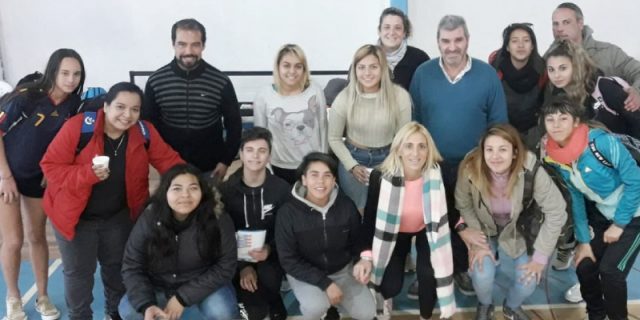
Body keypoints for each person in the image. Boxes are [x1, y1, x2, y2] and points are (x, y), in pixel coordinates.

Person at [40, 82, 183, 320]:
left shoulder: (144, 132)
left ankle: (113, 314)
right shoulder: (78, 128)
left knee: (118, 271)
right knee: (79, 276)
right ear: (105, 106)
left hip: (120, 217)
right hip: (76, 219)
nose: (127, 115)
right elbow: (50, 167)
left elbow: (170, 162)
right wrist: (87, 174)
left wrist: (196, 185)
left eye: (135, 109)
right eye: (120, 107)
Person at [410, 14, 508, 295]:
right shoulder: (423, 74)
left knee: (466, 218)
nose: (452, 47)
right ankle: (428, 273)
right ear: (438, 42)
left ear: (467, 40)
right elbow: (415, 121)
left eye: (458, 40)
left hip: (473, 166)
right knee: (429, 221)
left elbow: (499, 125)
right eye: (445, 41)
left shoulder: (487, 75)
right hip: (432, 164)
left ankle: (461, 270)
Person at [0, 48, 85, 320]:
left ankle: (43, 297)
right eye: (65, 73)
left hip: (38, 179)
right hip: (8, 175)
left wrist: (55, 168)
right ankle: (13, 298)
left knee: (37, 236)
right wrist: (5, 176)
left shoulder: (73, 105)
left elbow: (67, 142)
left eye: (76, 74)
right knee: (13, 240)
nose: (71, 79)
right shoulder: (26, 98)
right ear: (53, 72)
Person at [541, 97, 640, 320]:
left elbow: (636, 181)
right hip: (606, 217)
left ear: (576, 122)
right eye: (550, 119)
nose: (556, 125)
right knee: (585, 265)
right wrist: (584, 241)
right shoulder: (555, 158)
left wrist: (619, 224)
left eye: (563, 118)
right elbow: (576, 199)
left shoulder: (601, 142)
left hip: (634, 216)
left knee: (611, 272)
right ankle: (596, 314)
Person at [456, 124, 567, 320]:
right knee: (481, 274)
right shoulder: (470, 167)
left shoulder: (531, 168)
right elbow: (463, 204)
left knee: (529, 280)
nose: (495, 156)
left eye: (503, 149)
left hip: (519, 229)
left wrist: (540, 258)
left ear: (515, 152)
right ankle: (485, 304)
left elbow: (557, 211)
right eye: (489, 150)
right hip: (484, 227)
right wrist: (475, 240)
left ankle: (512, 306)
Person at [357, 122, 456, 320]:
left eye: (422, 146)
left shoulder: (440, 171)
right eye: (409, 146)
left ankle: (426, 315)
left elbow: (450, 208)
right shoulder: (380, 176)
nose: (415, 153)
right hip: (395, 232)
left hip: (426, 229)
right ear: (399, 149)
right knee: (391, 284)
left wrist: (462, 227)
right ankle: (384, 299)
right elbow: (369, 219)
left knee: (428, 273)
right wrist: (366, 254)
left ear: (429, 150)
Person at [118, 164, 238, 320]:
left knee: (223, 313)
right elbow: (132, 264)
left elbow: (226, 265)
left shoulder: (217, 217)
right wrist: (146, 304)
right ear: (165, 192)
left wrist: (182, 298)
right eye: (177, 188)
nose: (185, 195)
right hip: (159, 283)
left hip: (201, 282)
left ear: (202, 192)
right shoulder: (150, 217)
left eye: (193, 188)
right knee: (129, 311)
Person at [275, 152, 376, 320]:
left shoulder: (346, 205)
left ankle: (332, 306)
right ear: (304, 180)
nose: (320, 181)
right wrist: (325, 283)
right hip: (306, 274)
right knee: (316, 307)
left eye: (327, 175)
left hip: (342, 270)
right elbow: (288, 260)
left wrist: (363, 259)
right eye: (314, 175)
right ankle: (325, 307)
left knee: (367, 313)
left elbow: (360, 241)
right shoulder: (287, 213)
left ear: (334, 180)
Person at [143, 18, 242, 184]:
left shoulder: (221, 82)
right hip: (169, 166)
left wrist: (226, 161)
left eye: (195, 44)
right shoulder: (155, 81)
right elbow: (148, 127)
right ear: (173, 44)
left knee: (209, 209)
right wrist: (159, 161)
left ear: (203, 45)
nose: (188, 50)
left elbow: (234, 125)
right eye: (182, 44)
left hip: (210, 168)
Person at [329, 44, 411, 212]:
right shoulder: (344, 97)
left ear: (383, 69)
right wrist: (352, 165)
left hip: (388, 158)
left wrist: (391, 163)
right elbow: (334, 138)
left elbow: (404, 137)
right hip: (353, 158)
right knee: (357, 212)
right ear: (355, 70)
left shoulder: (399, 96)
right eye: (362, 67)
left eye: (373, 67)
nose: (367, 73)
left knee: (385, 211)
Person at [219, 127, 290, 320]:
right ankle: (254, 303)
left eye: (262, 151)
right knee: (253, 312)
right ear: (241, 154)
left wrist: (269, 249)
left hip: (269, 254)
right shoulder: (225, 191)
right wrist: (243, 266)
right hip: (235, 257)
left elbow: (287, 231)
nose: (255, 157)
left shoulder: (281, 189)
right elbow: (223, 235)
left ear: (269, 155)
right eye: (249, 150)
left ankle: (272, 298)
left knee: (269, 278)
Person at [252, 44, 327, 184]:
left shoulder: (315, 90)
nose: (292, 71)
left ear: (304, 69)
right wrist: (267, 169)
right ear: (278, 67)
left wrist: (323, 162)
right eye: (286, 65)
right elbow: (261, 137)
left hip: (312, 165)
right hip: (279, 166)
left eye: (298, 66)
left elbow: (323, 127)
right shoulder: (264, 95)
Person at [550, 2, 640, 111]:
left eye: (566, 22)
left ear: (580, 23)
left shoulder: (608, 53)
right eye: (555, 24)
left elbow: (637, 71)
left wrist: (637, 91)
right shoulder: (548, 60)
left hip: (615, 123)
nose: (559, 29)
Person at [546, 40, 640, 138]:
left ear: (576, 67)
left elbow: (637, 121)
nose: (556, 75)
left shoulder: (605, 87)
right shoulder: (557, 99)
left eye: (563, 68)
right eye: (551, 69)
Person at [489, 23, 547, 147]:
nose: (521, 45)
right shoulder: (494, 71)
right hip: (501, 134)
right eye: (515, 41)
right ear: (507, 47)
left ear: (532, 46)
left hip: (532, 135)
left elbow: (546, 106)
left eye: (526, 40)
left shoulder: (543, 71)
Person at [376, 7, 430, 90]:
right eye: (387, 27)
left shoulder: (420, 59)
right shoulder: (365, 57)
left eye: (397, 28)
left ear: (404, 32)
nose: (392, 32)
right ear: (379, 31)